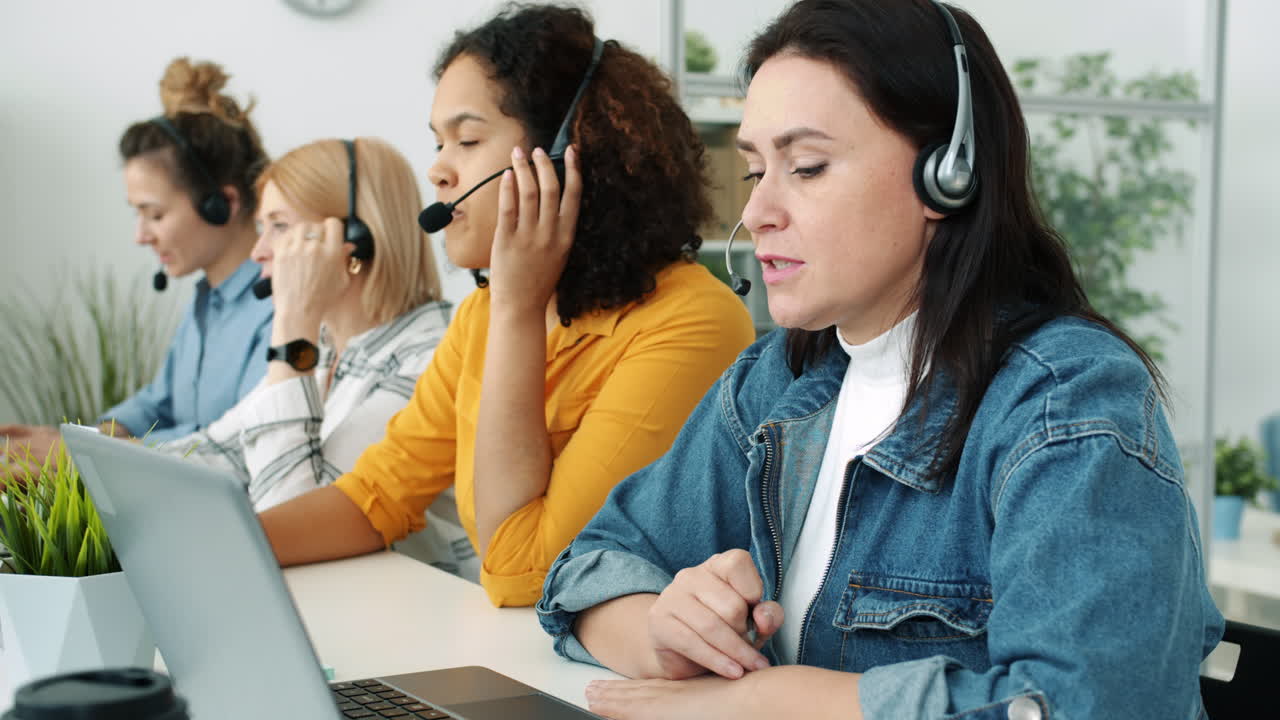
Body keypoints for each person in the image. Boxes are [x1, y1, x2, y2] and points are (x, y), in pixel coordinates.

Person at [536, 1, 1224, 718]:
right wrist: (662, 635)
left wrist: (770, 701)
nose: (760, 210)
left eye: (806, 166)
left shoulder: (1069, 405)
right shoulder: (778, 380)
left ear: (947, 175)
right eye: (754, 172)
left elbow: (1084, 706)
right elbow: (589, 568)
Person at [257, 3, 756, 602]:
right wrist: (217, 543)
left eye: (467, 139)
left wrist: (518, 308)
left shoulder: (693, 322)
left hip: (607, 682)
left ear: (566, 155)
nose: (438, 170)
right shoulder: (481, 316)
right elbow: (377, 497)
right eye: (439, 142)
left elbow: (524, 571)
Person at [155, 137, 468, 572]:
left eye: (279, 226)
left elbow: (292, 523)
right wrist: (78, 477)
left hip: (414, 619)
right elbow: (217, 452)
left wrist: (293, 321)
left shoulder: (429, 357)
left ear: (356, 240)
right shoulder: (324, 350)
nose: (258, 251)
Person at [1, 57, 273, 460]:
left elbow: (232, 444)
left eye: (156, 214)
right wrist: (84, 438)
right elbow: (156, 402)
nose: (141, 236)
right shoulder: (207, 301)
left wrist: (80, 453)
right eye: (138, 213)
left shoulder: (277, 308)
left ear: (223, 203)